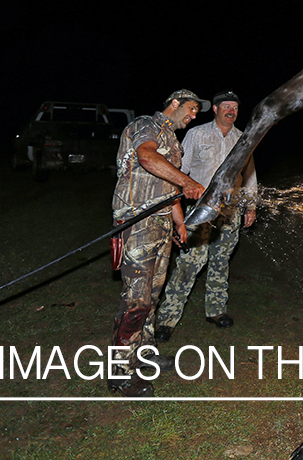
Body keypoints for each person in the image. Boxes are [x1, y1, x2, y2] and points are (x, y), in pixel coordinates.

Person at [108, 89, 209, 398]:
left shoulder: (173, 142)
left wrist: (179, 222)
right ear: (174, 103)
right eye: (191, 108)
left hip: (161, 225)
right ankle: (120, 372)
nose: (193, 115)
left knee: (152, 295)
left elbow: (167, 185)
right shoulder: (146, 126)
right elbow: (147, 158)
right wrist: (187, 181)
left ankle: (144, 354)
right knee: (136, 301)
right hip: (137, 224)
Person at [154, 91, 257, 340]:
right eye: (226, 107)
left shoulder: (243, 139)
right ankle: (167, 319)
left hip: (230, 210)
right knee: (190, 263)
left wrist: (251, 206)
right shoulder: (197, 134)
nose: (231, 111)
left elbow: (250, 174)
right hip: (200, 209)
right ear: (215, 109)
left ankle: (216, 310)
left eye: (235, 107)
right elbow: (180, 170)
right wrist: (176, 202)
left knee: (221, 261)